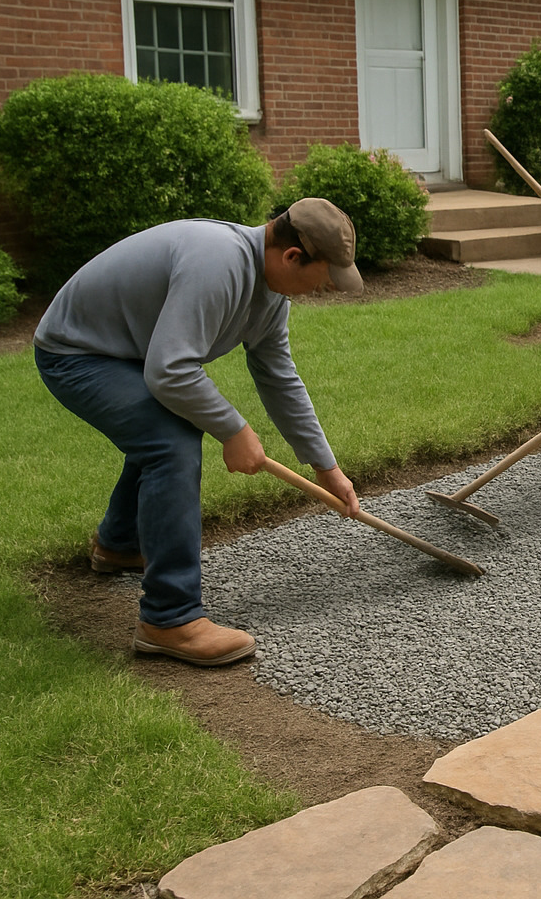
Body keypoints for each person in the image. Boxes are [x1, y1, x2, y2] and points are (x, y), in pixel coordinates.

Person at [34, 198, 364, 666]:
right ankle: (168, 619)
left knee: (163, 429)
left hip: (129, 352)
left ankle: (119, 544)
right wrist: (235, 430)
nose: (325, 287)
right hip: (77, 353)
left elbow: (278, 376)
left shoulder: (270, 293)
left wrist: (326, 467)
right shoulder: (219, 261)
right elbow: (170, 371)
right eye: (324, 276)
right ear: (292, 257)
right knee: (171, 440)